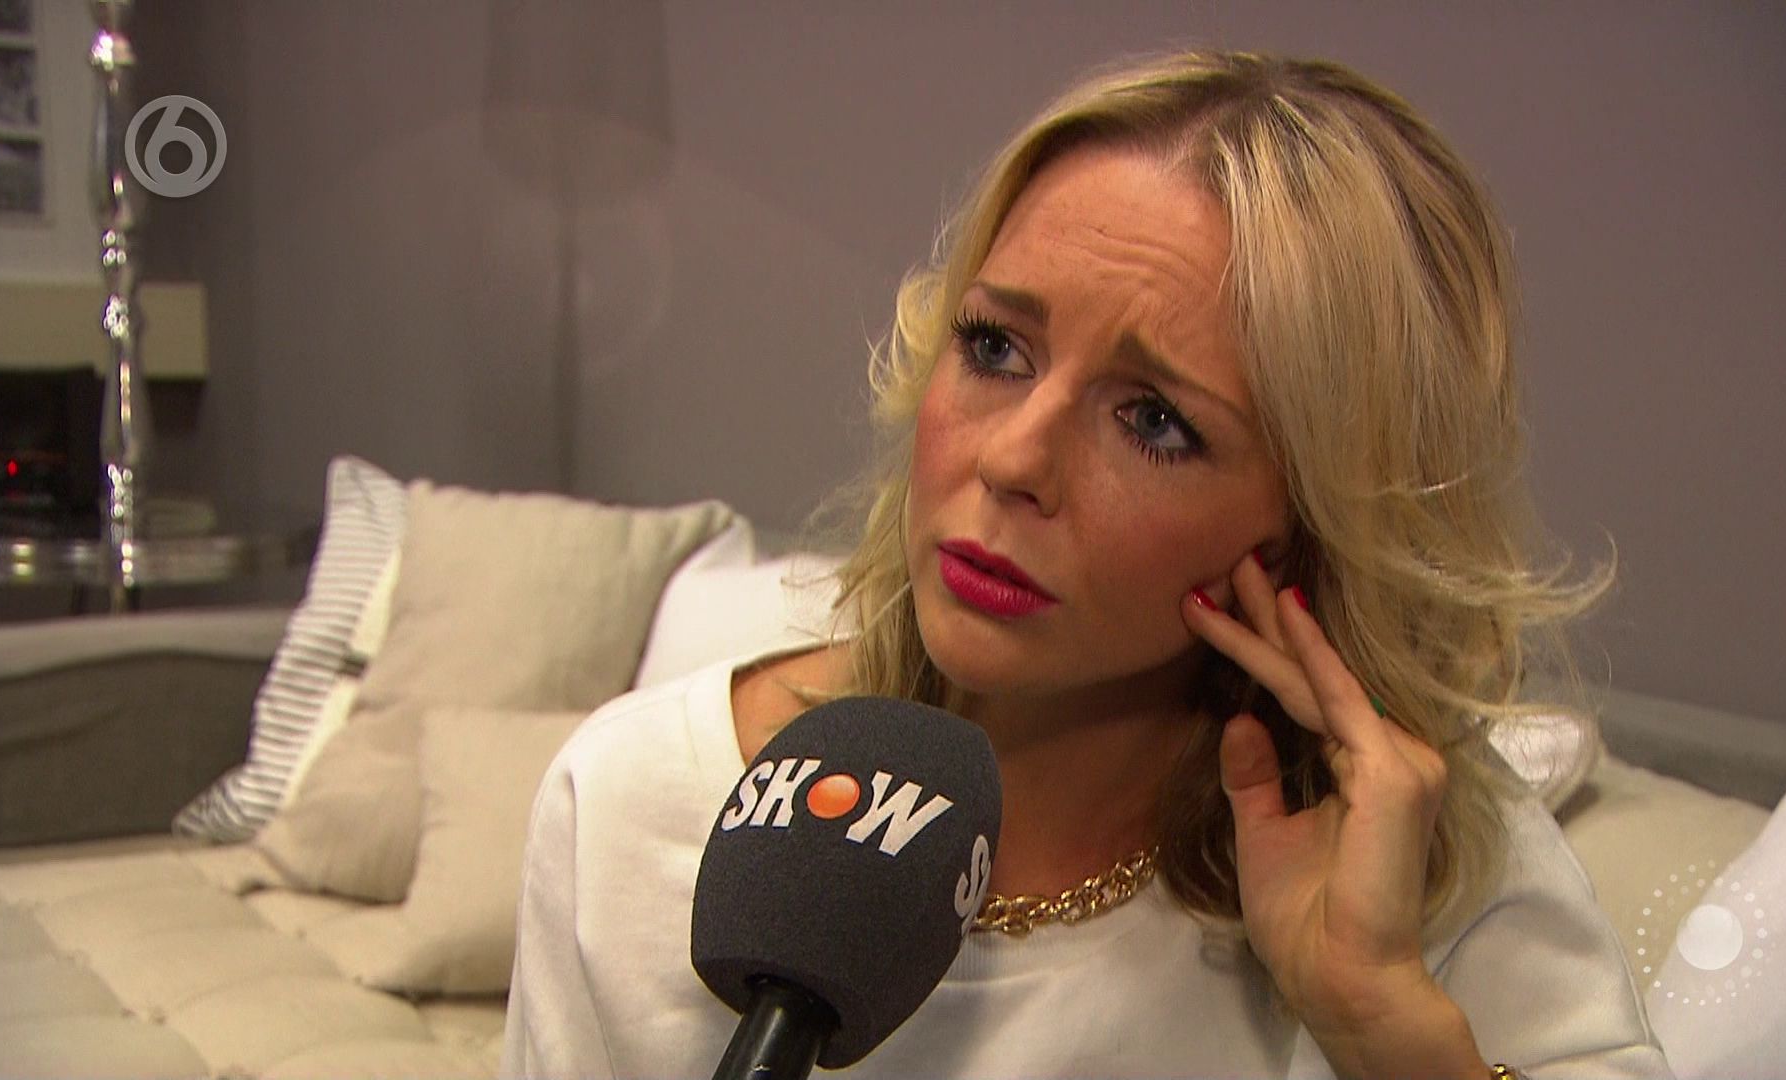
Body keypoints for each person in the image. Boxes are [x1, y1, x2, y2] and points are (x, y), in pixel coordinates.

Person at [503, 51, 1669, 1079]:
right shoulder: (631, 804)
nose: (1013, 459)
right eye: (994, 346)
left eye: (1155, 420)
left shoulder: (1426, 864)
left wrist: (1382, 1028)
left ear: (1309, 529)